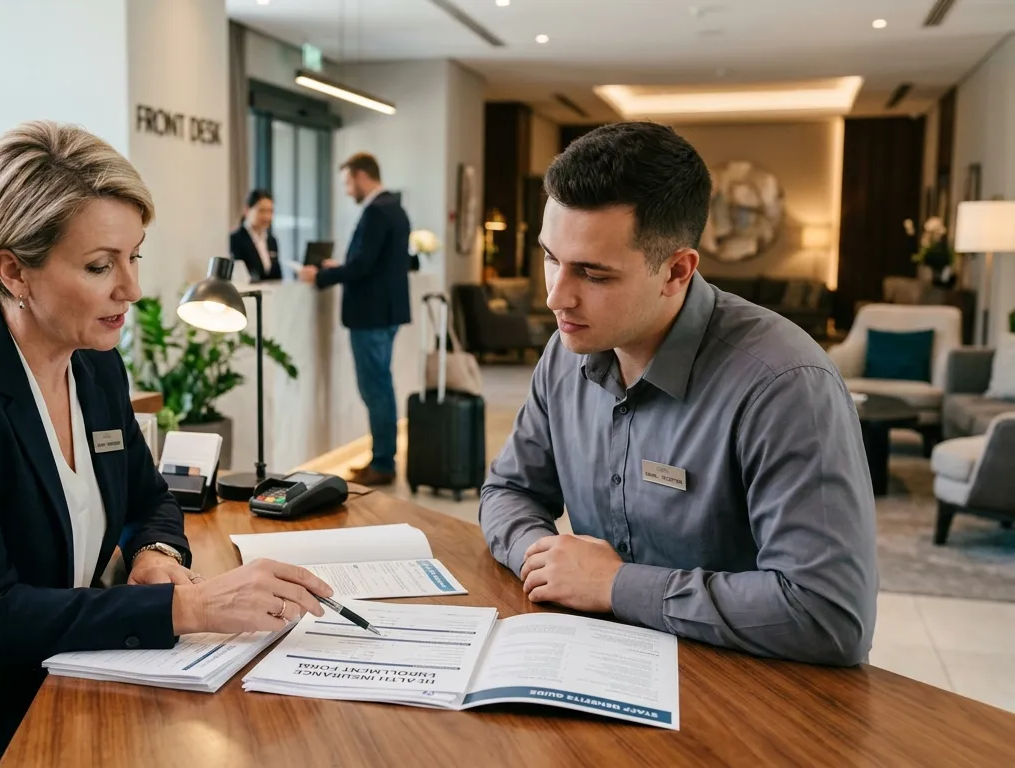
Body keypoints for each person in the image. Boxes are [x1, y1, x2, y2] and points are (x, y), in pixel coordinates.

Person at [0, 120, 333, 767]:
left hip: (56, 688)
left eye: (135, 257)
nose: (131, 289)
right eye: (100, 265)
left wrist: (156, 554)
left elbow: (149, 498)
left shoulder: (96, 365)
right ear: (13, 271)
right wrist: (188, 605)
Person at [479, 122, 877, 666]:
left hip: (749, 687)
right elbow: (509, 490)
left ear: (676, 271)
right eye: (551, 257)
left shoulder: (786, 385)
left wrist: (615, 585)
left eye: (593, 274)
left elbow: (829, 614)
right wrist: (542, 559)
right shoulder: (565, 353)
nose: (556, 297)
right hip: (603, 663)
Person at [299, 152, 411, 486]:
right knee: (380, 387)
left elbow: (363, 266)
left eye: (348, 182)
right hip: (385, 313)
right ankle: (382, 457)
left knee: (375, 389)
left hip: (371, 315)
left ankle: (383, 463)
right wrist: (341, 266)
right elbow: (374, 262)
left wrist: (321, 276)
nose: (348, 190)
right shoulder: (395, 208)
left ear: (362, 176)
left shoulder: (377, 210)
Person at [229, 188, 282, 282]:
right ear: (247, 210)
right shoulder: (235, 239)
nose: (267, 217)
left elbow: (277, 276)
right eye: (261, 211)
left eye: (270, 211)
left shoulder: (272, 240)